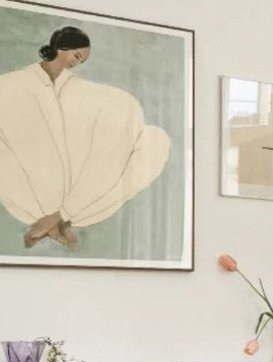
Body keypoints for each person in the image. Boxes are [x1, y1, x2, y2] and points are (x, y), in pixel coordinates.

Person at [0, 26, 171, 251]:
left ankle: (60, 218)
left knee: (154, 140)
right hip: (32, 196)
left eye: (81, 60)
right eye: (77, 55)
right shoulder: (13, 85)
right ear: (62, 48)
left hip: (76, 203)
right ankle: (58, 219)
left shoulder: (80, 91)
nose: (77, 62)